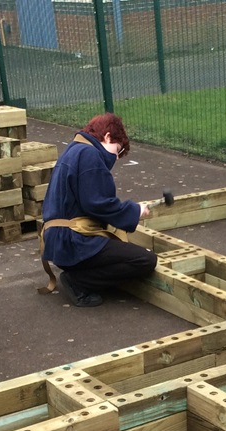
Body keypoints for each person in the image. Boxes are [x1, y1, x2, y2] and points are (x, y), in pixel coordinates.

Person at [39, 113, 157, 307]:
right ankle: (78, 282)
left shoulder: (73, 150)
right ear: (108, 137)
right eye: (117, 150)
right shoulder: (90, 155)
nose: (115, 158)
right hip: (74, 243)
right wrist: (134, 211)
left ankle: (79, 274)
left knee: (121, 247)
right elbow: (97, 203)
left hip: (57, 242)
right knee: (145, 259)